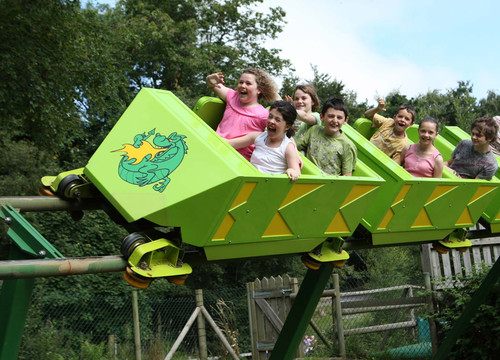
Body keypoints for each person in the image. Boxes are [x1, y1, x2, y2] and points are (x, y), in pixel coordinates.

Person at [206, 69, 280, 160]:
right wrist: (209, 79)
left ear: (259, 90)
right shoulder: (233, 97)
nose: (243, 85)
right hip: (217, 147)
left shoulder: (263, 114)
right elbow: (212, 84)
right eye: (241, 82)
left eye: (248, 83)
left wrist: (295, 155)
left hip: (239, 159)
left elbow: (282, 132)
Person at [226, 101, 301, 182]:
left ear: (287, 126)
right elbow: (230, 143)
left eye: (277, 120)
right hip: (251, 181)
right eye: (270, 116)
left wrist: (292, 170)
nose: (271, 121)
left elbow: (296, 171)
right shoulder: (258, 137)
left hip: (269, 187)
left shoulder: (287, 147)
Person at [295, 97, 357, 176]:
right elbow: (294, 146)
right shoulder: (314, 130)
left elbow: (347, 176)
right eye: (331, 116)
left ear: (345, 120)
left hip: (328, 185)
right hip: (307, 178)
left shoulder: (347, 145)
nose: (335, 120)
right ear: (322, 117)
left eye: (339, 117)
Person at [445, 116, 499, 180]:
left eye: (478, 135)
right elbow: (448, 163)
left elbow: (473, 187)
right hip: (446, 176)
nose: (473, 137)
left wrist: (454, 174)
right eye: (473, 134)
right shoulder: (464, 144)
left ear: (490, 138)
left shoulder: (490, 164)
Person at [364, 97, 416, 163]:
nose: (402, 120)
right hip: (365, 151)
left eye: (407, 119)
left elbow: (394, 165)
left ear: (411, 124)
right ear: (394, 117)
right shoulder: (388, 122)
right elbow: (367, 115)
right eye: (400, 116)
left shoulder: (403, 145)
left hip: (376, 163)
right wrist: (377, 109)